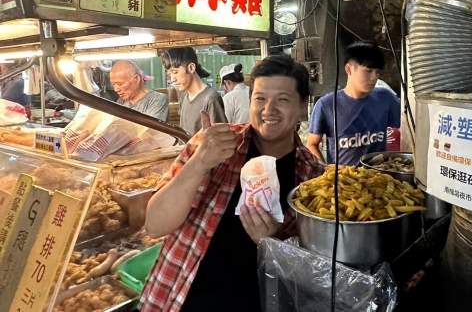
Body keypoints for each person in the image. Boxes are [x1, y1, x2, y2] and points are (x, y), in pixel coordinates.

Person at [140, 54, 325, 312]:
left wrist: (273, 244)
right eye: (260, 98)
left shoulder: (314, 179)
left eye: (282, 100)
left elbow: (315, 275)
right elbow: (155, 225)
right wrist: (199, 163)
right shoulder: (213, 144)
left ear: (304, 106)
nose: (268, 110)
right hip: (181, 297)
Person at [307, 41, 401, 166]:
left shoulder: (386, 98)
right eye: (368, 71)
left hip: (379, 179)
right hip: (344, 181)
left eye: (377, 72)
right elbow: (311, 144)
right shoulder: (327, 105)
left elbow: (406, 129)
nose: (374, 77)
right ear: (349, 69)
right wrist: (325, 172)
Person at [161, 47, 226, 136]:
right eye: (169, 74)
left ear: (191, 68)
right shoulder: (184, 97)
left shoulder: (211, 99)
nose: (172, 79)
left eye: (175, 72)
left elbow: (221, 138)